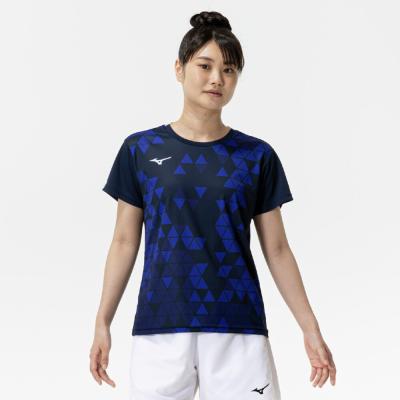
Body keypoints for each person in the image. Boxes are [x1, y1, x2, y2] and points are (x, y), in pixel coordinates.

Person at [89, 10, 336, 399]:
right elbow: (124, 241)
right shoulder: (140, 150)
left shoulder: (256, 156)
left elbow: (277, 249)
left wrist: (310, 328)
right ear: (179, 68)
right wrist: (103, 321)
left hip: (238, 327)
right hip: (160, 327)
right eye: (205, 66)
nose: (217, 78)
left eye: (229, 69)